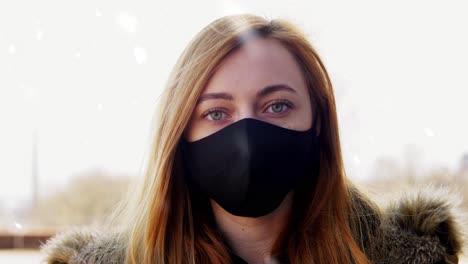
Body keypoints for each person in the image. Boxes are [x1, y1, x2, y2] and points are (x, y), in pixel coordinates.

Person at [41, 14, 464, 264]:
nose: (246, 137)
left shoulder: (402, 257)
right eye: (216, 112)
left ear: (318, 121)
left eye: (277, 105)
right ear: (180, 133)